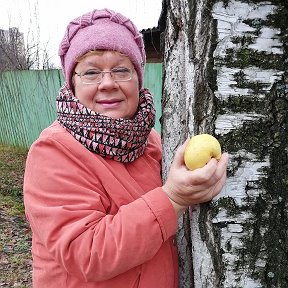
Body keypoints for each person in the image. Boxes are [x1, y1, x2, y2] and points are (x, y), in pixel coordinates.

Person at [23, 8, 228, 288]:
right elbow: (87, 252)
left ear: (138, 77)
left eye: (121, 69)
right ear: (72, 84)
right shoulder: (54, 152)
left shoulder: (150, 141)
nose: (108, 83)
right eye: (91, 72)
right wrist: (174, 199)